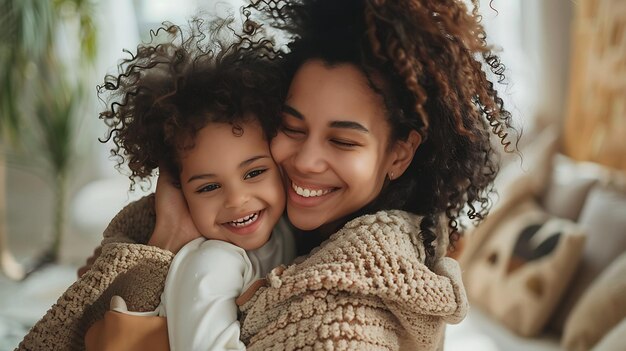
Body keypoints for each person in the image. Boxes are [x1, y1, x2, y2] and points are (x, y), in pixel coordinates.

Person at [17, 0, 518, 350]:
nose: (304, 161)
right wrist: (161, 241)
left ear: (400, 155)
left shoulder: (355, 295)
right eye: (290, 127)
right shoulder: (282, 232)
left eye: (343, 141)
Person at [83, 19, 294, 350]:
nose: (238, 200)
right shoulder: (211, 265)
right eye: (208, 187)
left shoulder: (283, 228)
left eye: (254, 173)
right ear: (179, 192)